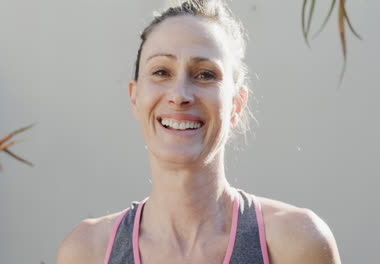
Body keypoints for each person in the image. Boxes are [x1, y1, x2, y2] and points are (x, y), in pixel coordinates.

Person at [56, 1, 341, 263]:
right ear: (135, 96)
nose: (179, 95)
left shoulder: (296, 243)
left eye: (205, 74)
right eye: (161, 72)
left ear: (236, 105)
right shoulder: (87, 251)